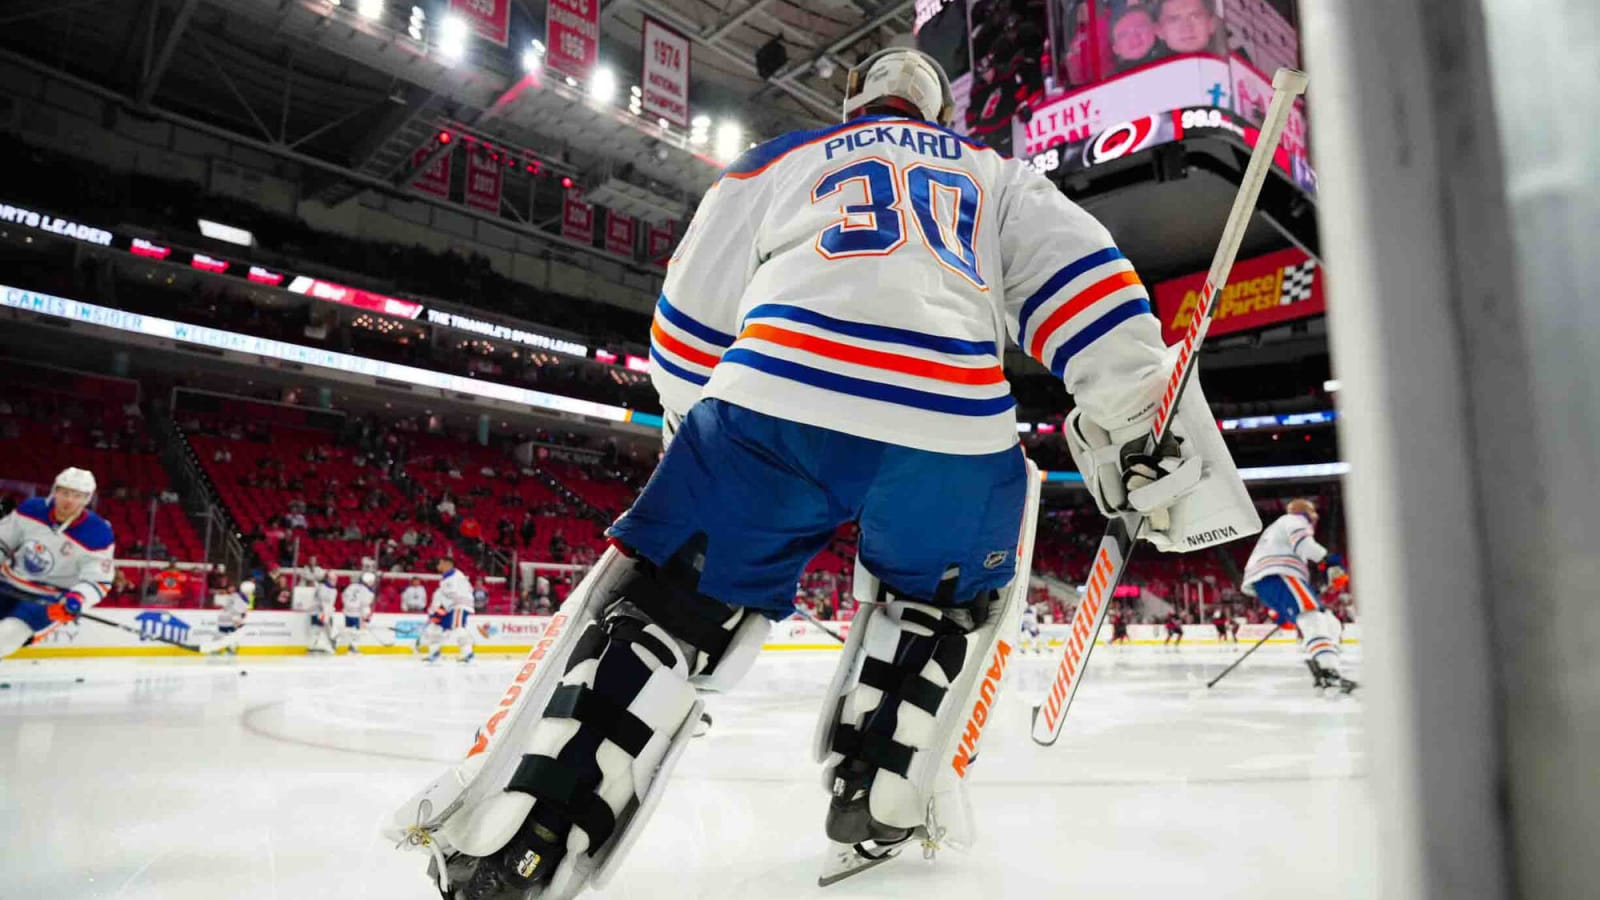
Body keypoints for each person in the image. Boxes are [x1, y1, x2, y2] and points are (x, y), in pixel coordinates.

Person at [385, 47, 1256, 895]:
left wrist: (703, 439)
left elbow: (686, 325)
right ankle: (881, 788)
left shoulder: (776, 160)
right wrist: (1136, 421)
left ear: (855, 105)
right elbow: (1087, 289)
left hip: (775, 397)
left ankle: (533, 830)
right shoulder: (997, 175)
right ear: (939, 112)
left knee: (670, 608)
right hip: (952, 422)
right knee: (941, 608)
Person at [1242, 498, 1356, 692]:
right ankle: (1328, 671)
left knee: (1329, 622)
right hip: (1279, 573)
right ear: (1307, 513)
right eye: (1313, 513)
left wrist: (1283, 612)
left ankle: (1327, 666)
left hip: (1268, 579)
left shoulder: (1278, 526)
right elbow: (1305, 545)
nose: (1315, 517)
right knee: (1313, 618)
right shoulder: (1295, 520)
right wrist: (1330, 562)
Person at [0, 469, 115, 659]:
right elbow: (3, 542)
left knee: (7, 634)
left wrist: (78, 598)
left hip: (48, 599)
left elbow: (98, 581)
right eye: (65, 492)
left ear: (86, 499)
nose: (69, 500)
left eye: (77, 496)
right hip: (8, 584)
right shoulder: (31, 509)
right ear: (55, 490)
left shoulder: (97, 533)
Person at [423, 556, 475, 664]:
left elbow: (453, 596)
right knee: (435, 627)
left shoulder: (455, 577)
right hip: (451, 606)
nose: (438, 566)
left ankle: (468, 654)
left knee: (458, 627)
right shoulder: (447, 578)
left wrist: (438, 611)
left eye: (439, 563)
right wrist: (436, 612)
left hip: (459, 606)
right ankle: (434, 653)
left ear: (446, 564)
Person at [1154, 0, 1223, 56]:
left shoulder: (1231, 65)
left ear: (1212, 24)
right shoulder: (1150, 72)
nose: (1187, 29)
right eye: (1174, 20)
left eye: (1195, 17)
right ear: (1159, 30)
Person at [1109, 4, 1166, 71]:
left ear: (1155, 28)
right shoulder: (1115, 79)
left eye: (1140, 28)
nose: (1134, 38)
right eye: (1124, 35)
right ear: (1116, 48)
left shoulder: (1174, 56)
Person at [337, 571, 378, 654]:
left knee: (350, 630)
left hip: (348, 612)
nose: (373, 583)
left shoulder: (352, 586)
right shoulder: (368, 592)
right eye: (372, 581)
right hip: (356, 613)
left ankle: (349, 646)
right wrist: (366, 617)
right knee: (356, 632)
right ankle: (352, 648)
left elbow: (344, 596)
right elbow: (365, 605)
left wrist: (347, 607)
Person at [211, 580, 253, 656]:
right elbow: (239, 611)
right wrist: (239, 620)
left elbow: (241, 611)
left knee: (224, 633)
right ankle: (228, 648)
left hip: (226, 618)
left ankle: (223, 648)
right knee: (228, 633)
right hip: (229, 618)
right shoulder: (239, 597)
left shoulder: (236, 596)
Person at [308, 573, 338, 654]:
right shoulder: (322, 588)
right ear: (328, 579)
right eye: (333, 579)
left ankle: (316, 645)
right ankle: (314, 646)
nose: (335, 581)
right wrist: (325, 614)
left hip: (324, 612)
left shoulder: (333, 590)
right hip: (317, 611)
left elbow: (330, 604)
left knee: (321, 629)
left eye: (336, 579)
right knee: (316, 629)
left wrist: (329, 612)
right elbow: (323, 602)